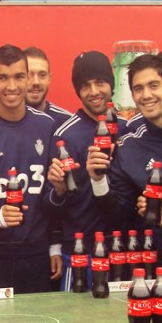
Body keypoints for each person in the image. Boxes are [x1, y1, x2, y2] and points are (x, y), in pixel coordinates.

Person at [0, 45, 59, 292]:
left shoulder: (47, 127)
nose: (12, 87)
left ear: (28, 78)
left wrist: (55, 244)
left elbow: (54, 196)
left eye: (18, 77)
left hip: (38, 255)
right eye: (3, 78)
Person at [89, 54, 162, 246]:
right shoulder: (128, 147)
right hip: (156, 260)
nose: (146, 95)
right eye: (138, 89)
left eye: (153, 85)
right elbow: (118, 216)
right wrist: (98, 181)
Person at [45, 51, 115, 289]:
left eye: (101, 82)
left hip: (121, 251)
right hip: (79, 254)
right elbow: (49, 205)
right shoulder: (66, 135)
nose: (94, 92)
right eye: (86, 85)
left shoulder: (128, 128)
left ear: (112, 84)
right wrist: (59, 191)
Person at [24, 46, 71, 126]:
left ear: (49, 78)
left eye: (42, 75)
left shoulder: (67, 123)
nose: (36, 82)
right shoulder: (2, 121)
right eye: (29, 75)